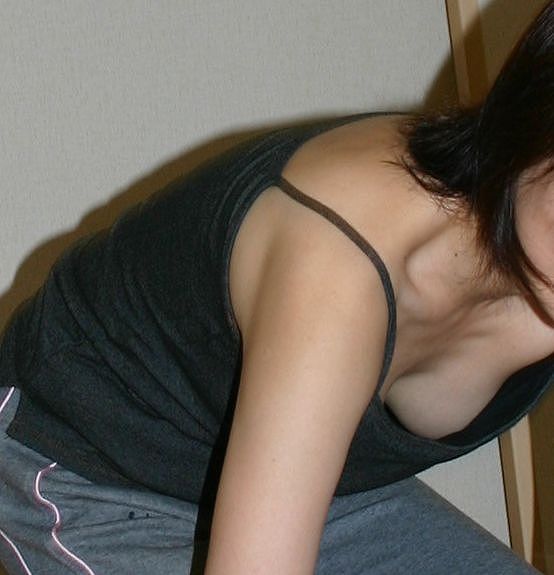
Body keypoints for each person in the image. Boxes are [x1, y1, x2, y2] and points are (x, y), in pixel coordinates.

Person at [1, 3, 553, 574]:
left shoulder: (532, 253)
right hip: (88, 470)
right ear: (534, 119)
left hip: (306, 475)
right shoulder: (337, 274)